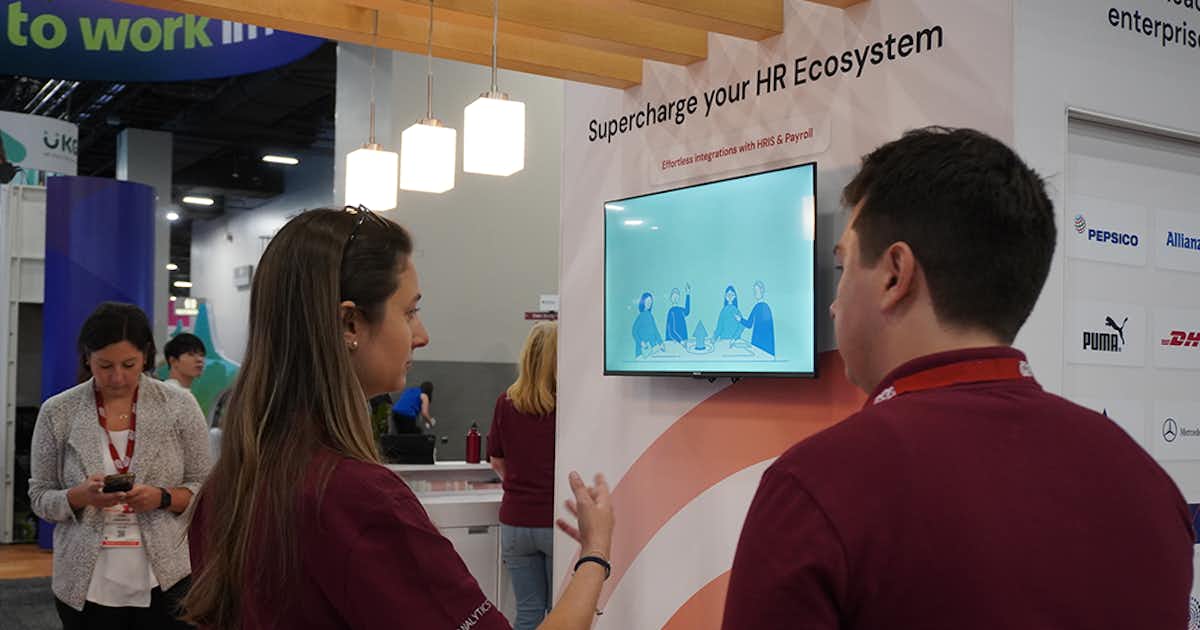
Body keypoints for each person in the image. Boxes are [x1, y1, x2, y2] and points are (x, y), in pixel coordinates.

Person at [721, 127, 1195, 629]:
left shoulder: (818, 486)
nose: (834, 304)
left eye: (843, 268)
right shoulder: (1146, 482)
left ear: (894, 274)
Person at [183, 208, 614, 630]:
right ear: (350, 323)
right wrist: (594, 554)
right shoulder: (359, 501)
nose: (421, 335)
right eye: (409, 312)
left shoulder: (226, 490)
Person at [28, 302, 211, 629]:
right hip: (86, 582)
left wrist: (162, 497)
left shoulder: (179, 406)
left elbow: (206, 489)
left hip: (167, 577)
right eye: (104, 365)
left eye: (129, 364)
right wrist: (79, 496)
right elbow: (40, 497)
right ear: (87, 358)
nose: (117, 377)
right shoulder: (59, 411)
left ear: (146, 356)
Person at [488, 321, 559, 630]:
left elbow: (496, 460)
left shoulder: (505, 402)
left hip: (515, 523)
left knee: (528, 613)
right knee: (559, 614)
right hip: (555, 523)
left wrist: (520, 486)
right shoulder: (566, 405)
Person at [736, 280, 775, 355]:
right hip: (760, 342)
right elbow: (749, 324)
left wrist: (740, 319)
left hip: (762, 343)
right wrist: (740, 319)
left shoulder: (763, 307)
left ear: (762, 291)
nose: (755, 293)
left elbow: (749, 324)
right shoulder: (758, 307)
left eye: (757, 291)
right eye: (754, 291)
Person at [631, 291, 664, 357]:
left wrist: (661, 342)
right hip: (642, 350)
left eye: (650, 301)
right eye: (647, 301)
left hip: (652, 347)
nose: (649, 303)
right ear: (643, 302)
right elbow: (634, 331)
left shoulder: (650, 316)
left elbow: (655, 330)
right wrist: (641, 342)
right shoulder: (640, 316)